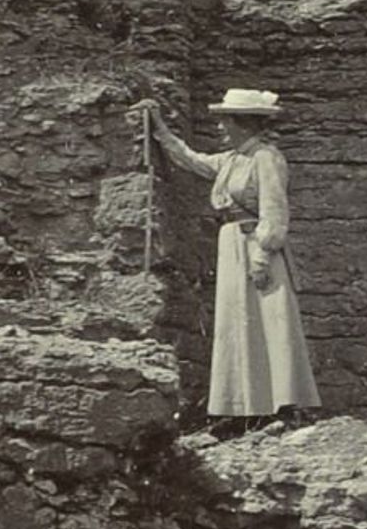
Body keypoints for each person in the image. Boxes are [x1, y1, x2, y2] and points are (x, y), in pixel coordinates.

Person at [136, 89, 320, 430]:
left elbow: (274, 210)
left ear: (242, 123)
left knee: (269, 321)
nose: (220, 127)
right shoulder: (232, 160)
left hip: (256, 246)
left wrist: (262, 255)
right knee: (238, 322)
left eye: (225, 120)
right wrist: (159, 127)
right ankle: (245, 410)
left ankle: (283, 406)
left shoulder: (266, 157)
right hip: (232, 244)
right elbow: (190, 159)